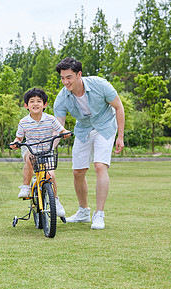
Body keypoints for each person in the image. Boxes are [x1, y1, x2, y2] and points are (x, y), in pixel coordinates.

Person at [53, 57, 125, 229]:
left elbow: (119, 107)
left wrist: (120, 136)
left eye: (68, 77)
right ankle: (83, 211)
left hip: (105, 126)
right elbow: (59, 126)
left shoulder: (100, 85)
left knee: (100, 166)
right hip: (84, 130)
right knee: (78, 171)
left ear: (79, 75)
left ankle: (99, 214)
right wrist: (50, 147)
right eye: (62, 78)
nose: (65, 82)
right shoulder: (62, 97)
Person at [10, 88, 71, 217]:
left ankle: (55, 201)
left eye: (39, 101)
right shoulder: (23, 122)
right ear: (26, 105)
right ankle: (26, 186)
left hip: (46, 151)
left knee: (51, 175)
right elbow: (19, 138)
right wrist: (15, 142)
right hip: (30, 149)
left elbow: (62, 130)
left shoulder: (51, 119)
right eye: (32, 101)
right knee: (30, 158)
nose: (36, 104)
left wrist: (65, 133)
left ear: (45, 105)